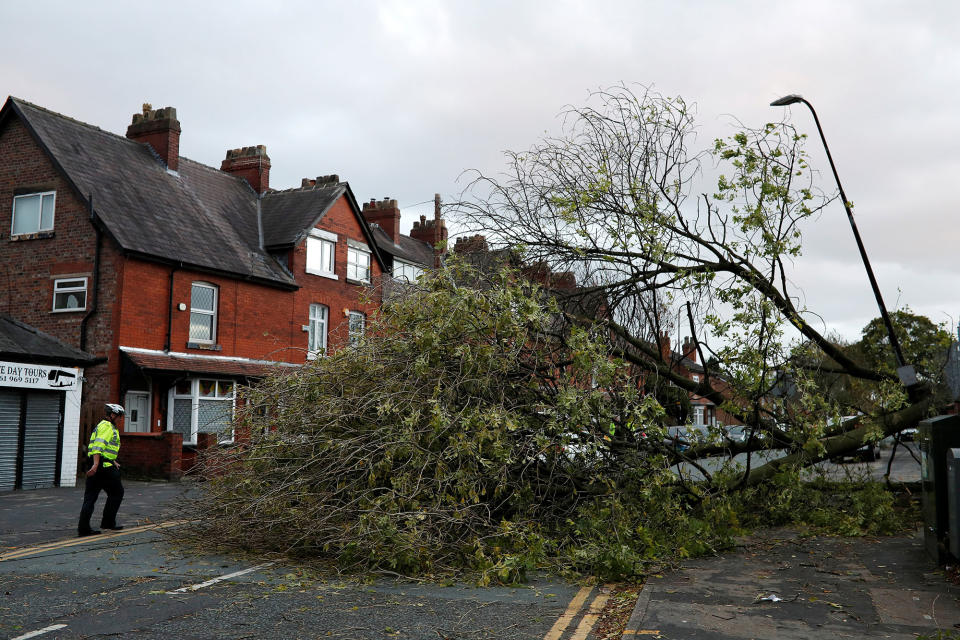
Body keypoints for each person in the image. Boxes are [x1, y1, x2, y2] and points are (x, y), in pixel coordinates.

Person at [78, 403, 125, 537]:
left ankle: (83, 528)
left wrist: (112, 460)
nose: (121, 419)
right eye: (120, 416)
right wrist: (96, 464)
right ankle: (108, 522)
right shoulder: (107, 427)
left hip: (102, 463)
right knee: (117, 493)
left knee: (90, 498)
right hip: (103, 468)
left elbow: (102, 448)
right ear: (113, 415)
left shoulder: (102, 425)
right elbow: (98, 446)